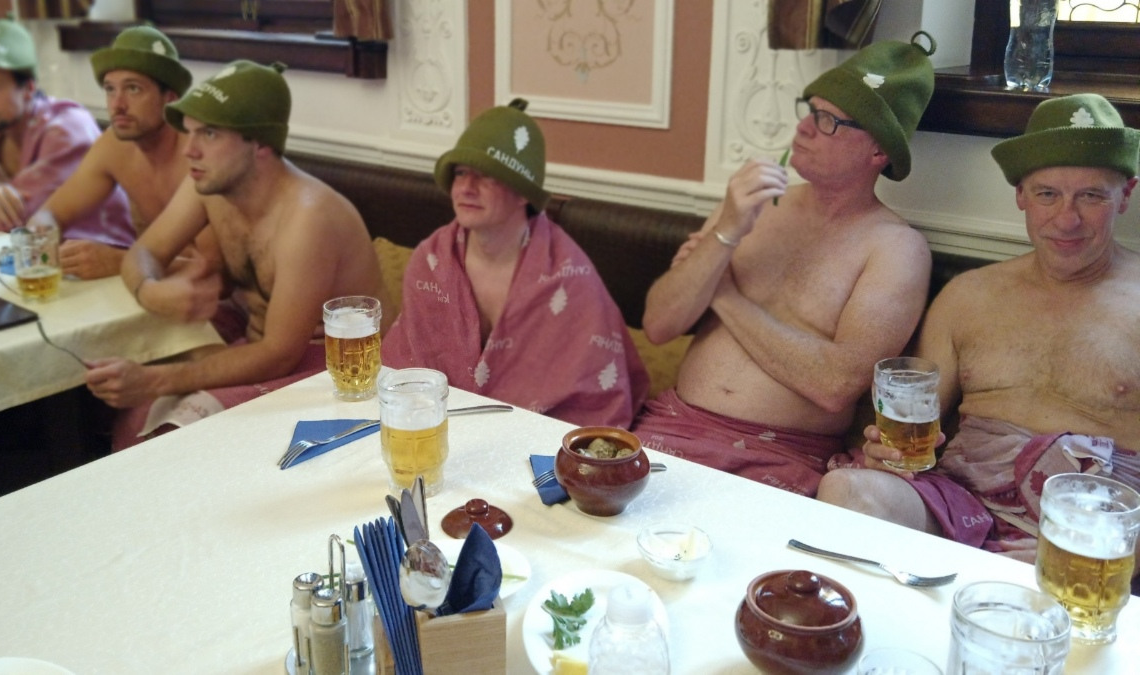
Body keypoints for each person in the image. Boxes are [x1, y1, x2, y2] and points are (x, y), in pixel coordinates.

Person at [817, 93, 1140, 563]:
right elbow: (914, 427)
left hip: (1093, 527)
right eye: (1047, 194)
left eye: (1091, 196)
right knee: (845, 491)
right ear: (1021, 195)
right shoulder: (967, 296)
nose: (1067, 219)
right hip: (963, 508)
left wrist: (1114, 547)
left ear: (1125, 195)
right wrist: (883, 453)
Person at [632, 34, 937, 496]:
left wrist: (725, 296)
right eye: (809, 110)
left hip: (783, 457)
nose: (804, 128)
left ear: (878, 151)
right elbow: (658, 324)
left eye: (828, 121)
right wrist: (726, 231)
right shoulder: (751, 205)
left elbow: (836, 385)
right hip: (673, 427)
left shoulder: (895, 248)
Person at [85, 60, 391, 449]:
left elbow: (280, 354)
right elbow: (144, 252)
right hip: (260, 346)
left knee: (168, 435)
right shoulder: (208, 184)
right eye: (190, 132)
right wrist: (150, 290)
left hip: (341, 369)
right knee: (136, 420)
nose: (190, 150)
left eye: (209, 134)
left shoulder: (308, 217)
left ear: (260, 144)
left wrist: (154, 380)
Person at [381, 99, 649, 428]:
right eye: (461, 173)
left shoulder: (569, 277)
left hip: (541, 442)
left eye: (487, 176)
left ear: (524, 194)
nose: (466, 188)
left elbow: (595, 405)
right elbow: (405, 375)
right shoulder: (431, 262)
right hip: (432, 432)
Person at [0, 15, 132, 248]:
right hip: (34, 259)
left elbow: (17, 223)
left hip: (105, 263)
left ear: (29, 88)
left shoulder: (66, 129)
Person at [29, 25, 197, 280]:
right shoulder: (115, 146)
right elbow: (49, 214)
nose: (118, 105)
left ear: (170, 99)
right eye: (110, 89)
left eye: (133, 89)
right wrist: (42, 241)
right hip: (151, 288)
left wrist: (120, 261)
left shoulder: (200, 154)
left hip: (211, 299)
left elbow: (218, 273)